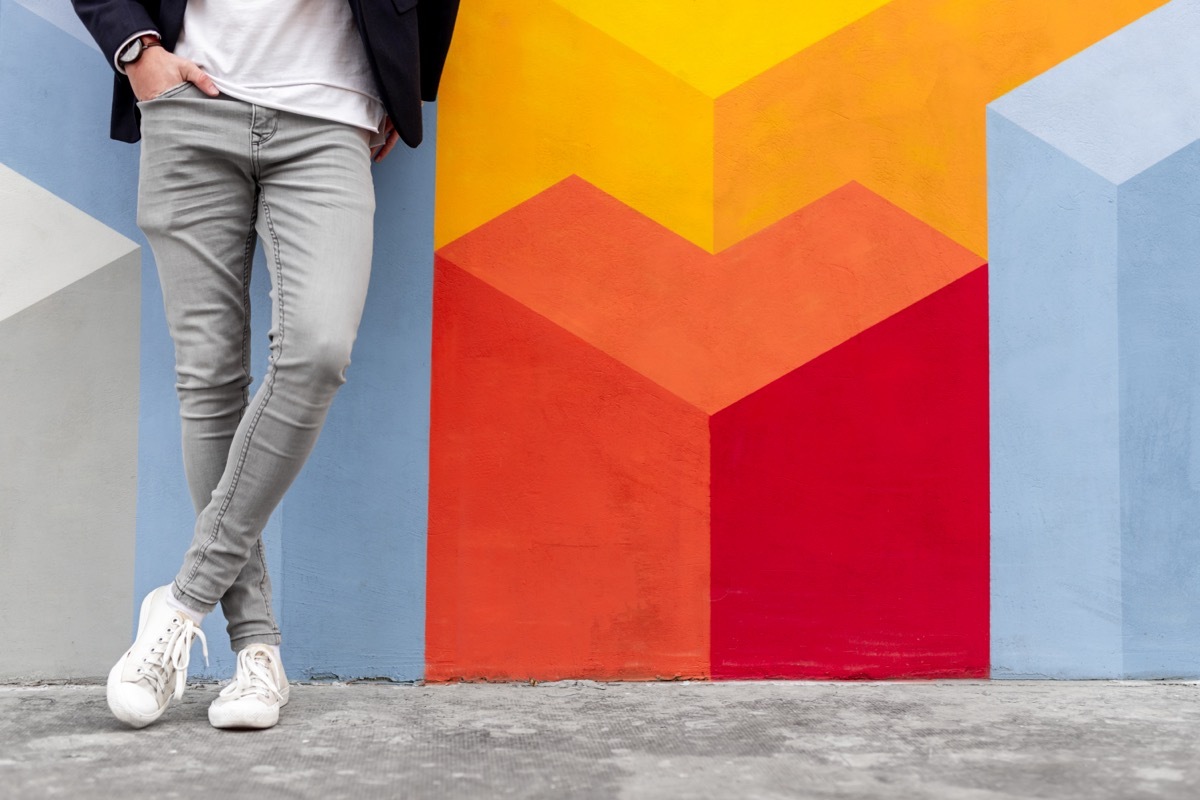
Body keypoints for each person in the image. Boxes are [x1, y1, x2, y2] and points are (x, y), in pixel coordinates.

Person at [70, 0, 458, 730]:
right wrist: (135, 51)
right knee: (210, 380)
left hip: (329, 114)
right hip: (188, 103)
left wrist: (401, 83)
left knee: (316, 350)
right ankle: (256, 653)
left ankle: (181, 603)